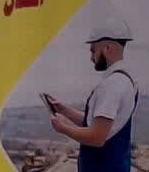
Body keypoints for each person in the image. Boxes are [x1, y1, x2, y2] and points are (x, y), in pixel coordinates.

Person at [46, 21, 140, 172]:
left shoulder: (112, 85)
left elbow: (96, 137)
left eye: (93, 51)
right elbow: (97, 123)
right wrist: (64, 110)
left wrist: (63, 128)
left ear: (107, 48)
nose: (91, 58)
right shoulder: (126, 80)